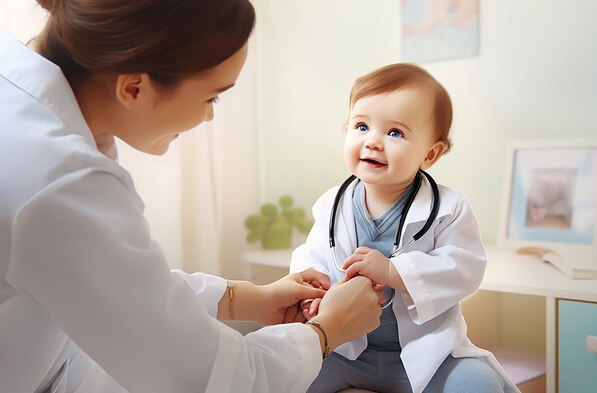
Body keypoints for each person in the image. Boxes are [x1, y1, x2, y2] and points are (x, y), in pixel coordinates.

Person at [0, 1, 383, 392]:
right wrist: (326, 331)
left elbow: (112, 281)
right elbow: (208, 381)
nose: (209, 117)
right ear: (134, 87)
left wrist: (242, 298)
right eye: (211, 98)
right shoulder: (62, 183)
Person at [290, 63, 520, 393]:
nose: (372, 142)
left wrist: (395, 271)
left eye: (394, 132)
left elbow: (465, 268)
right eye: (361, 126)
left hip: (428, 352)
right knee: (287, 375)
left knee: (478, 383)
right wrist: (313, 293)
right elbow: (312, 258)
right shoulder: (332, 204)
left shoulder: (448, 208)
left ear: (430, 153)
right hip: (346, 351)